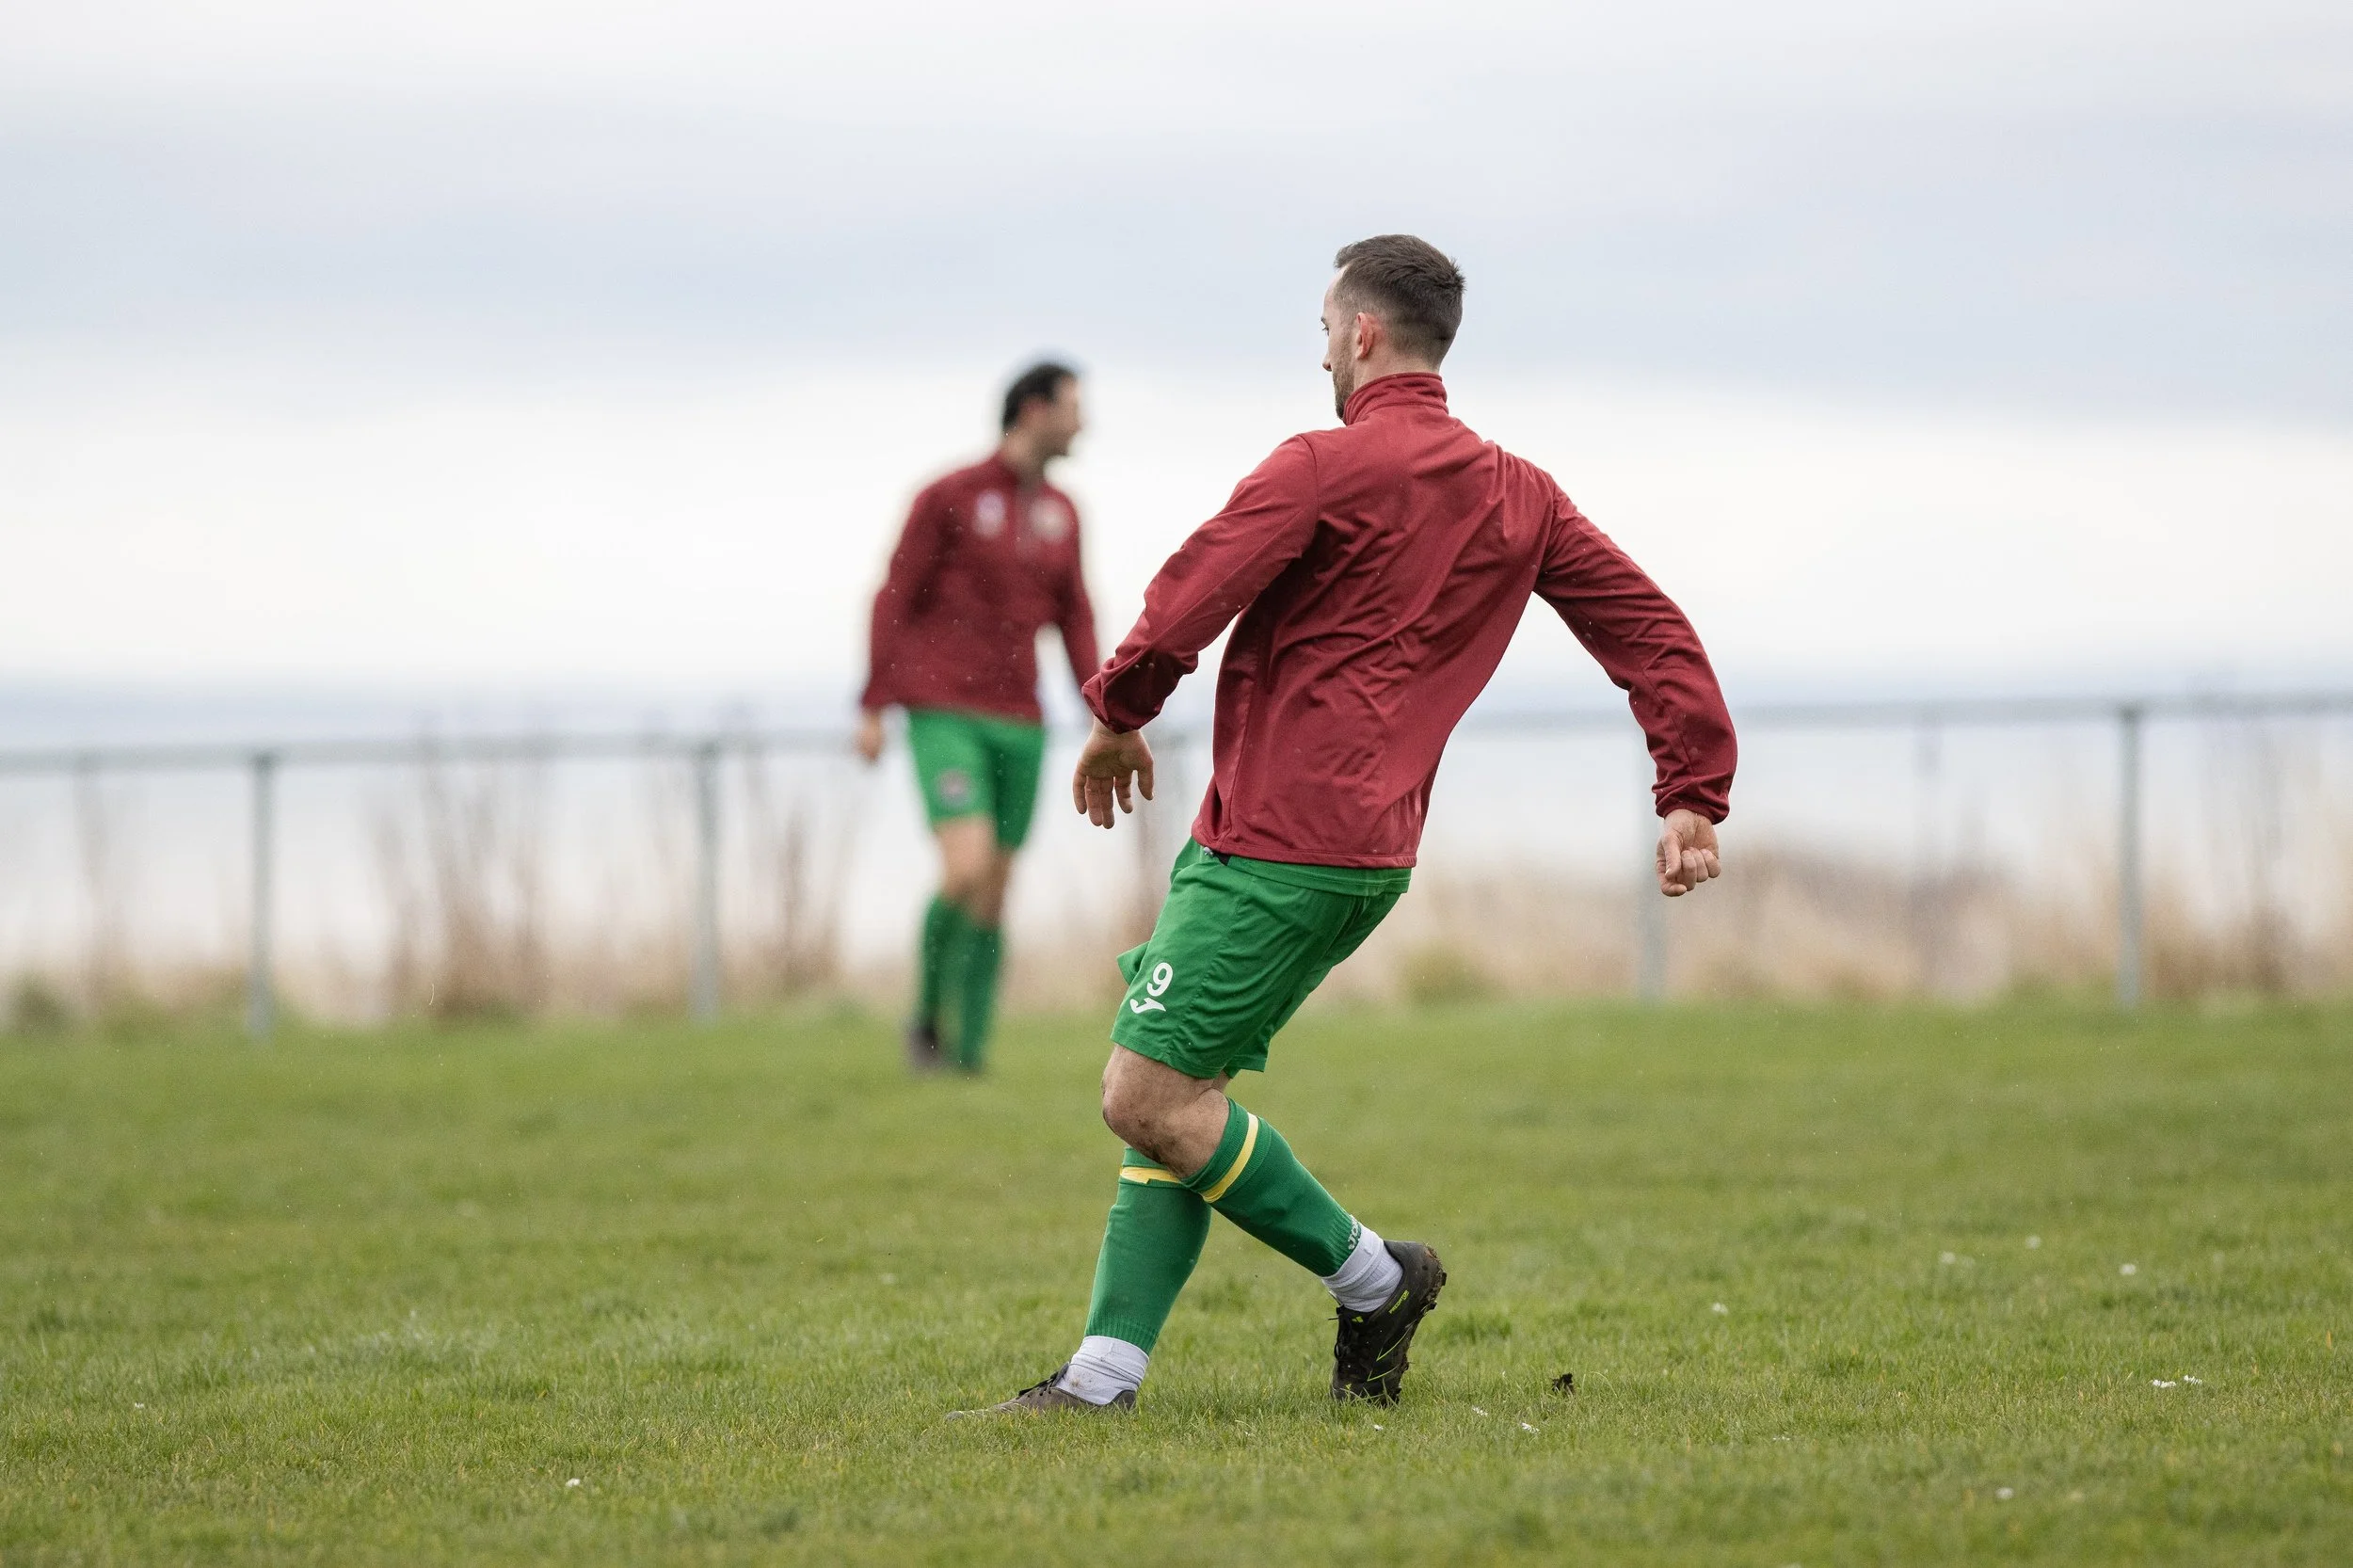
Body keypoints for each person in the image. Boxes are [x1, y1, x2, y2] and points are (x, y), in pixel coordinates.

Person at [954, 236, 1737, 1416]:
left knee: (1144, 1096)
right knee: (1182, 1087)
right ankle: (1103, 1379)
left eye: (1325, 327)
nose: (1319, 348)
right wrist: (1691, 788)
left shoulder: (1319, 464)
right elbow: (1650, 630)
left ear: (1362, 334)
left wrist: (1118, 711)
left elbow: (1194, 587)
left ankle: (1379, 1280)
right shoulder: (1520, 494)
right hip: (1364, 853)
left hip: (1274, 844)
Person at [857, 361, 1100, 1074]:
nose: (1084, 422)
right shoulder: (950, 496)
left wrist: (1106, 709)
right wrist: (873, 704)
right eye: (1073, 407)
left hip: (1021, 717)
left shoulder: (1063, 512)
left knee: (995, 888)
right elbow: (893, 597)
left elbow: (1075, 616)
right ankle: (927, 1018)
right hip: (943, 711)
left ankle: (969, 1057)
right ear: (1033, 410)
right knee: (963, 870)